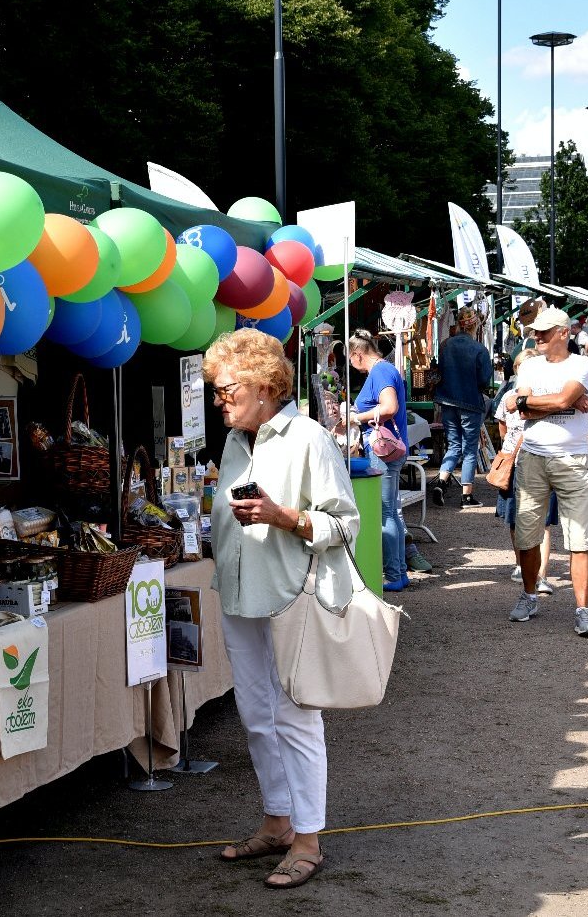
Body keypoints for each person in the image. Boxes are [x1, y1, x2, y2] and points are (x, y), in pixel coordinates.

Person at [205, 328, 359, 889]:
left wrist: (283, 517)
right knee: (254, 713)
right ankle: (276, 821)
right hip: (242, 596)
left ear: (264, 385)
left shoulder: (309, 438)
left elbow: (346, 524)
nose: (218, 400)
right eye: (217, 391)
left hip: (292, 596)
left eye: (226, 390)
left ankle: (309, 838)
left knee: (296, 715)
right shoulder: (235, 441)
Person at [502, 306, 588, 638]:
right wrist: (564, 401)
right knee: (527, 534)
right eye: (536, 332)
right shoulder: (529, 364)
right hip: (533, 457)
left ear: (564, 332)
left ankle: (583, 609)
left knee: (579, 537)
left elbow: (539, 403)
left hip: (571, 459)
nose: (538, 337)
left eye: (544, 332)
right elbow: (517, 406)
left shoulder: (583, 364)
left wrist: (542, 402)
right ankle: (530, 594)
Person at [346, 330, 412, 592]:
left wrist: (355, 419)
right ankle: (399, 572)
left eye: (350, 360)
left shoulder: (380, 372)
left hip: (383, 449)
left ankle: (394, 573)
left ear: (357, 354)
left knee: (386, 513)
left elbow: (388, 407)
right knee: (391, 511)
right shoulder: (384, 370)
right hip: (388, 449)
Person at [491, 350, 558, 593]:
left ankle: (540, 574)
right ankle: (521, 564)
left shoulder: (545, 394)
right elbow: (501, 425)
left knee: (543, 522)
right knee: (515, 518)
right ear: (517, 370)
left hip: (540, 460)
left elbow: (501, 428)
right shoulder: (510, 395)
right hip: (519, 462)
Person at [432, 309, 494, 508]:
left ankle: (441, 481)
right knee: (469, 449)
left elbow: (439, 372)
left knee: (453, 445)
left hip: (448, 401)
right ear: (475, 326)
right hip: (470, 402)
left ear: (458, 324)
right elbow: (485, 379)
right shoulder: (479, 349)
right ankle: (466, 496)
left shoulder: (445, 346)